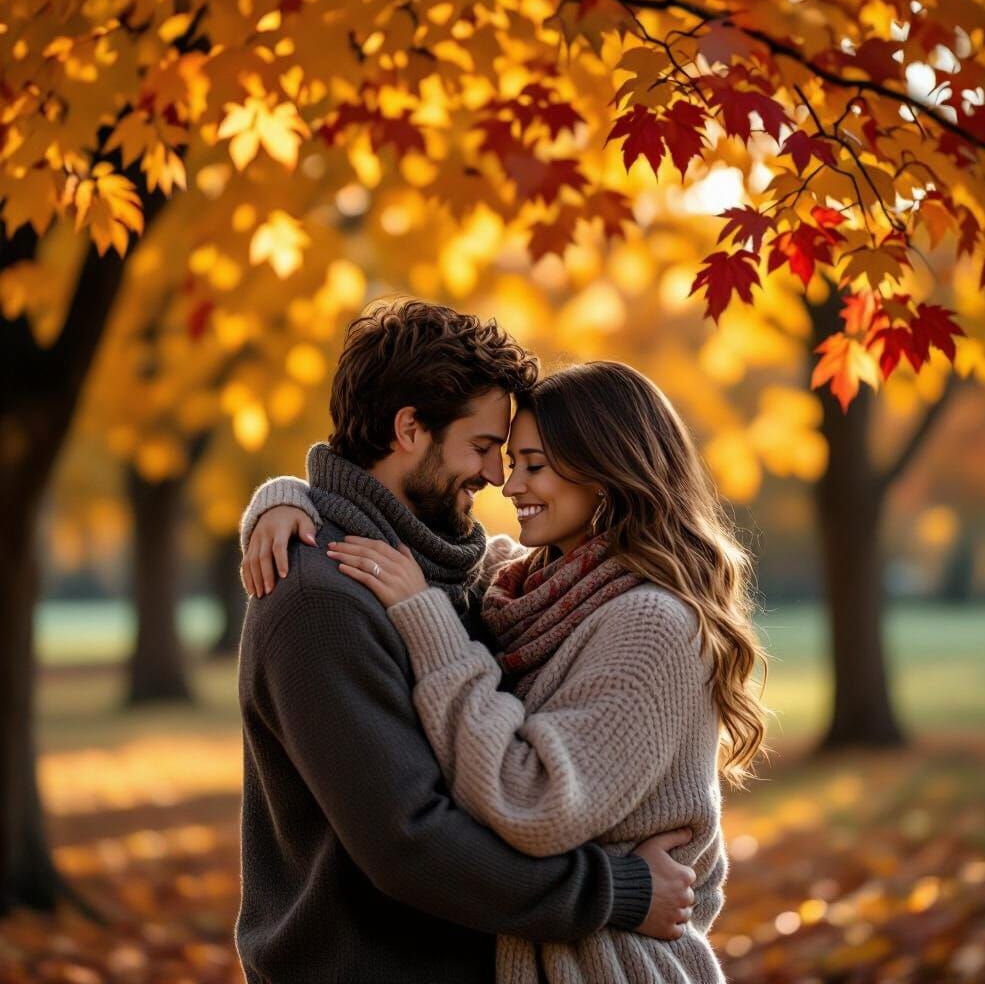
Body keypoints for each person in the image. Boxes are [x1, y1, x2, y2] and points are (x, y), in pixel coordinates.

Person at [244, 355, 769, 982]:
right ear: (408, 430)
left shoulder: (650, 624)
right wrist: (286, 499)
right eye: (501, 455)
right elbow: (451, 556)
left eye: (532, 465)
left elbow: (530, 799)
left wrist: (425, 618)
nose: (507, 482)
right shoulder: (536, 589)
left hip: (616, 965)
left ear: (608, 473)